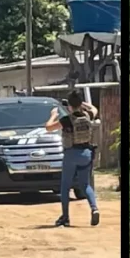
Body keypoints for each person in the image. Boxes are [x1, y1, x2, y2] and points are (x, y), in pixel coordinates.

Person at [45, 90, 99, 227]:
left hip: (71, 154)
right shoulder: (88, 115)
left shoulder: (66, 120)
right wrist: (83, 104)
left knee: (65, 186)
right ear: (80, 104)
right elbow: (94, 109)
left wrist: (53, 115)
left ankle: (65, 217)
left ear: (69, 106)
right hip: (86, 153)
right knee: (85, 184)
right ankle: (94, 208)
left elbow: (48, 128)